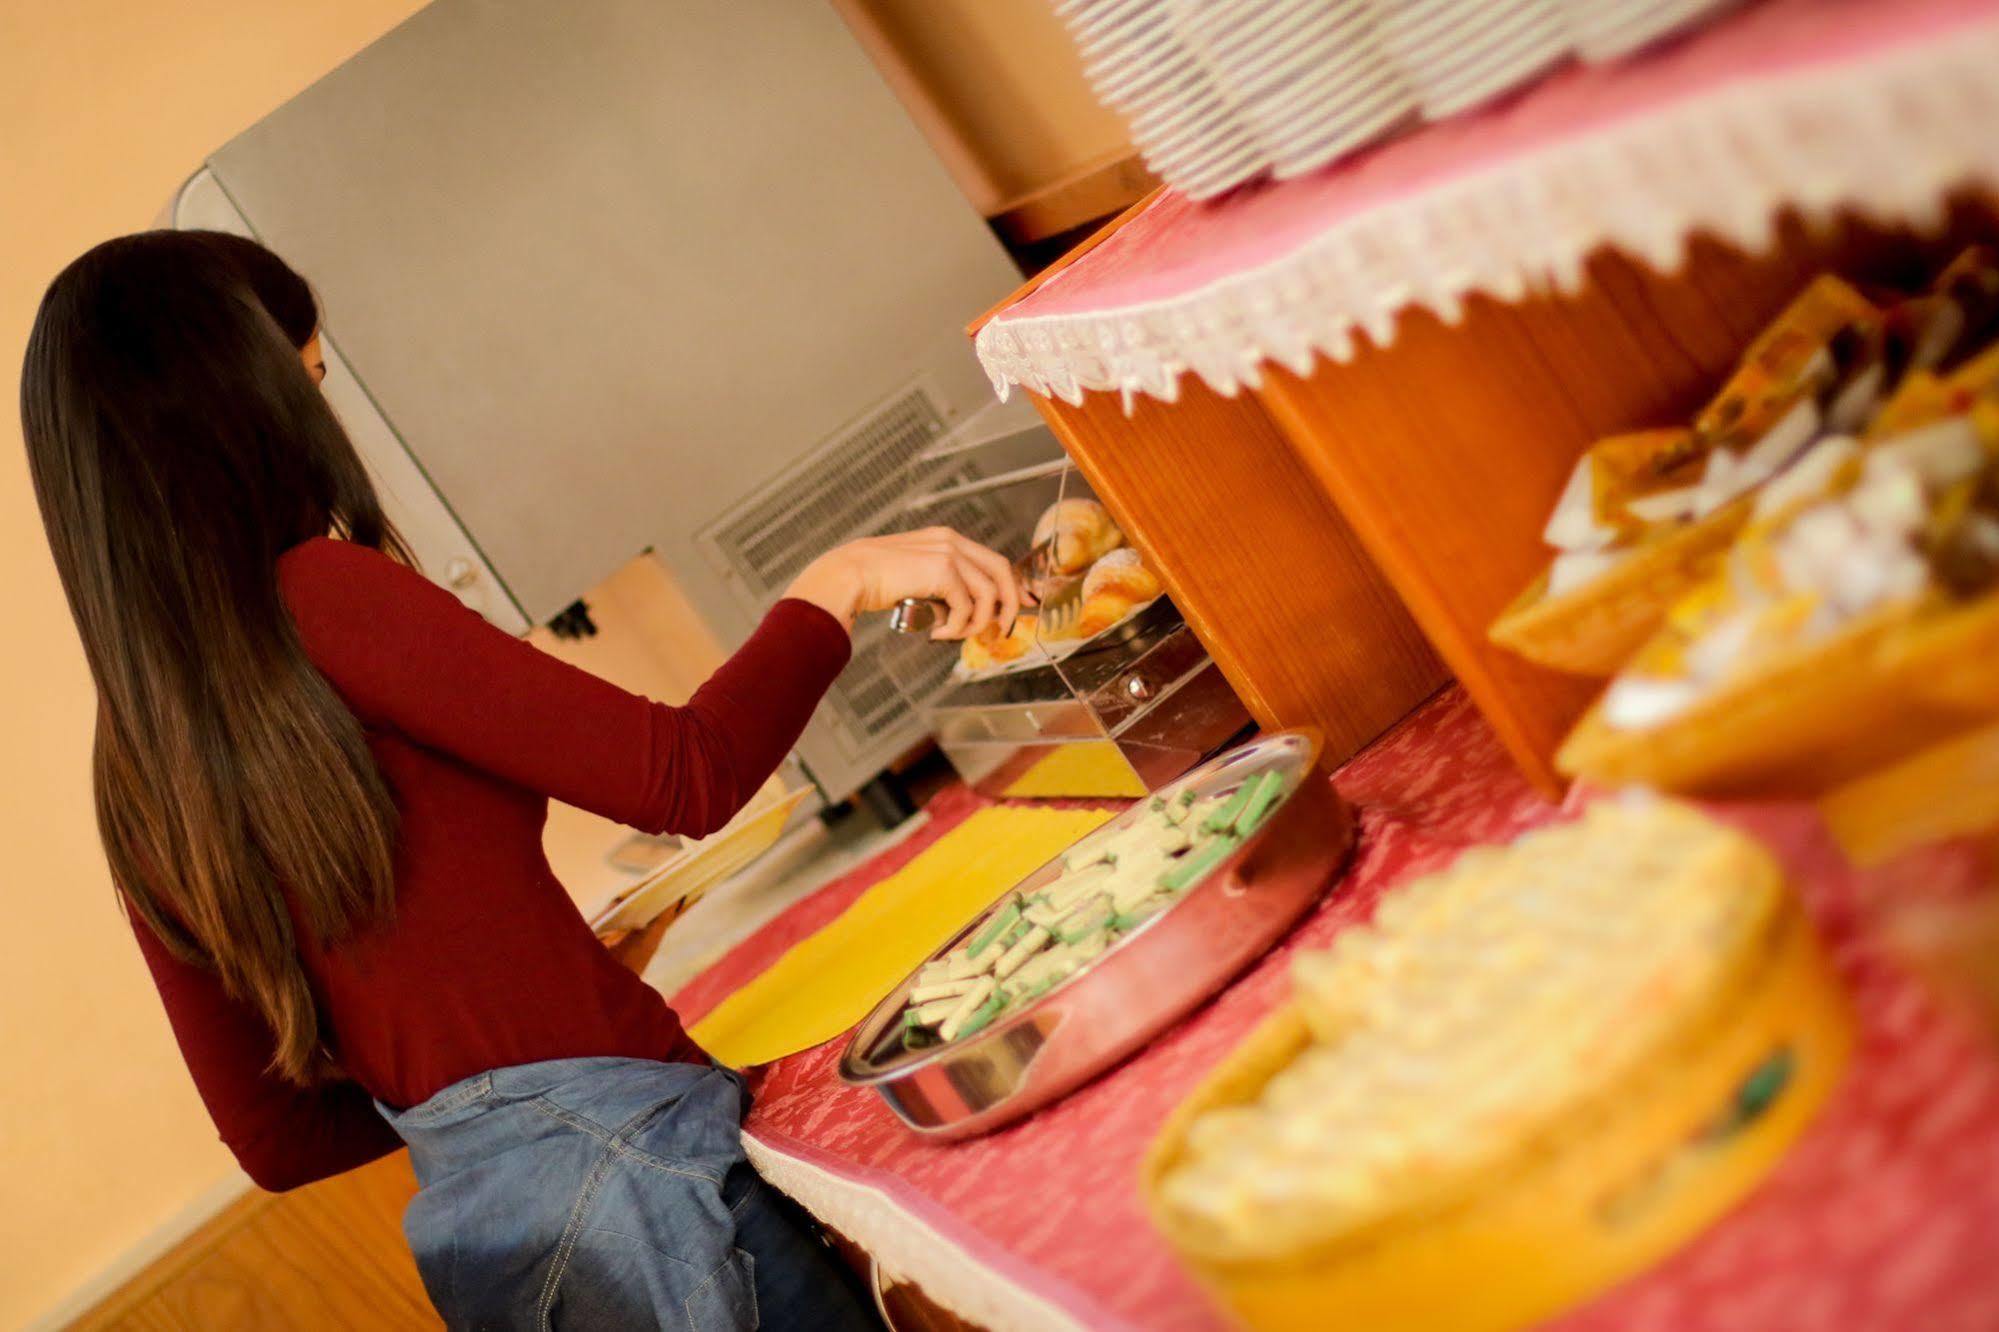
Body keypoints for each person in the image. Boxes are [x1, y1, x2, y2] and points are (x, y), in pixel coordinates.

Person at [21, 230, 1024, 1329]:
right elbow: (685, 777)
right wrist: (844, 576)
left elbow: (280, 1140)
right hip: (648, 1188)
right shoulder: (324, 595)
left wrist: (513, 1046)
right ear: (241, 410)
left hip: (505, 1249)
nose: (326, 424)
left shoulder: (131, 766)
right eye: (308, 386)